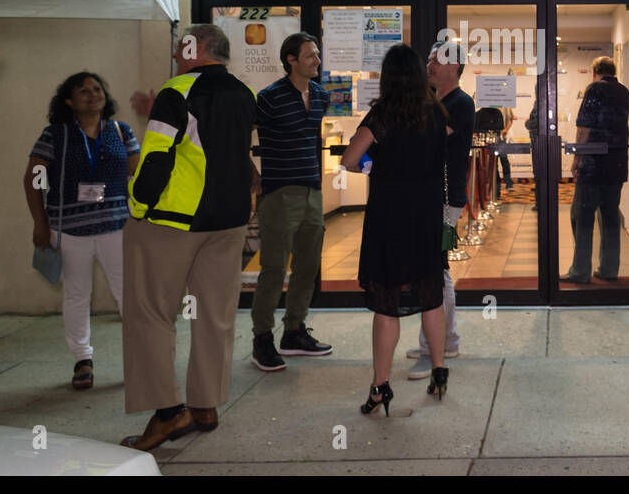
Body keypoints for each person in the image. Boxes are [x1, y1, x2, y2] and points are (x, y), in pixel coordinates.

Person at [119, 24, 256, 450]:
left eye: (183, 48)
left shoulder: (175, 90)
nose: (179, 55)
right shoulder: (244, 94)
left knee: (151, 315)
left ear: (197, 50)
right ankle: (205, 405)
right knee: (214, 316)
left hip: (172, 222)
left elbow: (157, 156)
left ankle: (167, 414)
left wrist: (138, 207)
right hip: (229, 221)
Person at [343, 45, 452, 415]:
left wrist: (375, 167)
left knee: (387, 304)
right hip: (424, 214)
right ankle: (439, 371)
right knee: (430, 294)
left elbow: (350, 159)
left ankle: (380, 387)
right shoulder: (436, 113)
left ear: (389, 76)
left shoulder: (383, 115)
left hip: (389, 216)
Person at [24, 72, 139, 389]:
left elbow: (137, 173)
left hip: (117, 227)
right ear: (68, 101)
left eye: (98, 89)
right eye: (83, 90)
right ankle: (82, 360)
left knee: (128, 293)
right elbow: (33, 179)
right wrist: (39, 222)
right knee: (77, 295)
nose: (92, 94)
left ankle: (141, 359)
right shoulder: (55, 135)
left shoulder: (120, 130)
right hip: (69, 229)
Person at [250, 32, 333, 372]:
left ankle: (294, 331)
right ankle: (262, 339)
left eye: (317, 54)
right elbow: (242, 134)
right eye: (310, 55)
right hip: (279, 193)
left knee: (307, 268)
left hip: (313, 190)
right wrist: (251, 176)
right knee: (272, 270)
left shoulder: (321, 95)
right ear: (291, 60)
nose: (316, 60)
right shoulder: (268, 97)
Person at [406, 40, 474, 380]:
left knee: (435, 271)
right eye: (428, 59)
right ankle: (445, 341)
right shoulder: (434, 101)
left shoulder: (460, 103)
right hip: (429, 195)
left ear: (455, 67)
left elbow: (427, 140)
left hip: (444, 198)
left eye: (436, 61)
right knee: (436, 269)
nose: (429, 65)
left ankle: (431, 349)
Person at [562, 56, 629, 284]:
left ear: (594, 72)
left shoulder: (594, 90)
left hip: (594, 164)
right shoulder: (624, 92)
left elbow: (584, 127)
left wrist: (577, 159)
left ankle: (580, 271)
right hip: (617, 163)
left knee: (581, 217)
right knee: (610, 217)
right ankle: (609, 269)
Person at [525, 97, 541, 210]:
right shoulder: (543, 102)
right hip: (540, 143)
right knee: (539, 174)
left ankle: (539, 203)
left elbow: (533, 123)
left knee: (538, 174)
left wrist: (527, 123)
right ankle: (540, 202)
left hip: (537, 142)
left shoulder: (538, 104)